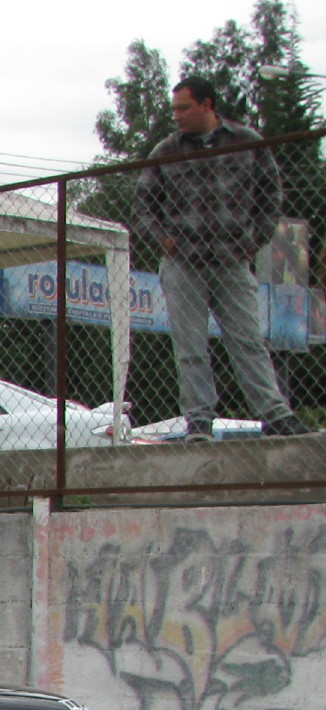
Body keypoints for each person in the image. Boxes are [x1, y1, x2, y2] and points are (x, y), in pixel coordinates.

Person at [134, 76, 312, 441]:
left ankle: (275, 414)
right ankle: (199, 421)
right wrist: (162, 240)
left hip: (232, 261)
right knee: (190, 348)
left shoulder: (246, 142)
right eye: (174, 109)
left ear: (207, 105)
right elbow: (142, 206)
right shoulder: (166, 150)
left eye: (184, 108)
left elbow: (271, 196)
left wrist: (252, 241)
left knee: (248, 340)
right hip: (183, 263)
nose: (177, 116)